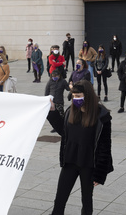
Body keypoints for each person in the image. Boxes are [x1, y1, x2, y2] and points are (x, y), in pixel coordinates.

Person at [47, 79, 113, 215]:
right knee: (60, 198)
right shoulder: (70, 112)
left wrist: (100, 174)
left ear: (87, 95)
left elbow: (105, 147)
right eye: (74, 96)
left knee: (87, 201)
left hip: (88, 165)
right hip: (70, 161)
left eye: (78, 96)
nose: (75, 99)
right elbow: (63, 131)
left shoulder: (102, 116)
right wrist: (52, 112)